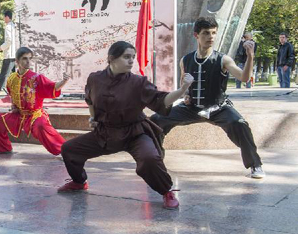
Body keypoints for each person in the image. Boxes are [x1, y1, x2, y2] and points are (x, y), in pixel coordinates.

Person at [58, 41, 194, 209]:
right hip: (105, 133)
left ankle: (166, 191)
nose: (131, 61)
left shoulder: (138, 83)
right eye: (126, 57)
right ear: (111, 58)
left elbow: (161, 99)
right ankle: (79, 182)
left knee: (149, 158)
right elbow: (89, 100)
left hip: (134, 133)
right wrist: (93, 118)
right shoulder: (95, 79)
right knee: (69, 149)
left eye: (133, 57)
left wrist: (182, 90)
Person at [151, 17, 265, 179]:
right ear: (196, 35)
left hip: (218, 108)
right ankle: (156, 156)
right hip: (191, 108)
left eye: (213, 33)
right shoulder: (185, 60)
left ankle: (255, 164)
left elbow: (244, 78)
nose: (211, 37)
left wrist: (250, 56)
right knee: (156, 120)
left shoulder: (223, 59)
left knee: (239, 124)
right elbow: (185, 85)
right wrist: (186, 97)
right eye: (206, 33)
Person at [0, 47, 70, 155]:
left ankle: (65, 151)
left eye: (29, 58)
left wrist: (64, 81)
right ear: (17, 61)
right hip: (19, 115)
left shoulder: (37, 78)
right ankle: (3, 148)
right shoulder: (11, 78)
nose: (28, 61)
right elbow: (11, 94)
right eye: (24, 59)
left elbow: (53, 87)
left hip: (35, 115)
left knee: (41, 126)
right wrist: (14, 106)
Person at [0, 11, 17, 96]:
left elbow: (9, 41)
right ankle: (9, 90)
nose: (3, 19)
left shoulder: (8, 27)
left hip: (9, 54)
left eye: (4, 17)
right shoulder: (14, 26)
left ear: (7, 17)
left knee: (4, 74)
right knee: (12, 74)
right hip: (14, 54)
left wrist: (1, 48)